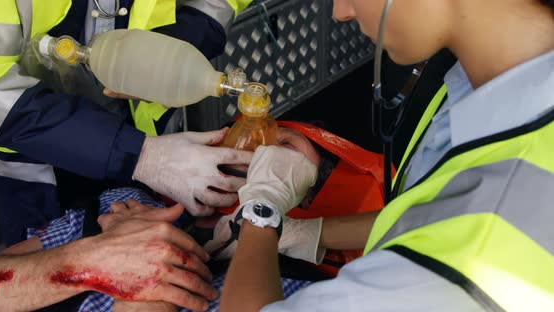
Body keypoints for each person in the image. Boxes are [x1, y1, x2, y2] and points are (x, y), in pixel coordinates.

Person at [219, 0, 554, 311]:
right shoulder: (480, 84)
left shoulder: (464, 263)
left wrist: (259, 214)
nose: (341, 11)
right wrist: (307, 233)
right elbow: (430, 213)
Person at [0, 120, 385, 311]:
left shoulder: (304, 293)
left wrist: (264, 227)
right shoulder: (120, 208)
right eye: (247, 134)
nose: (259, 151)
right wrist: (86, 258)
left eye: (283, 157)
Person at [0, 0, 253, 247]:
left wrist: (186, 37)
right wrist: (144, 156)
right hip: (26, 157)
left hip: (135, 126)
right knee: (47, 255)